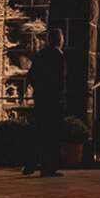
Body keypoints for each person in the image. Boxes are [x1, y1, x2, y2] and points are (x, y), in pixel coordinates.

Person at [24, 28, 66, 177]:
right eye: (61, 38)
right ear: (59, 40)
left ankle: (29, 165)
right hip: (52, 100)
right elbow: (59, 79)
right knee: (51, 134)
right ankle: (48, 167)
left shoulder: (41, 54)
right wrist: (58, 95)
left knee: (38, 131)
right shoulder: (58, 55)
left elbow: (31, 75)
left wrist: (38, 91)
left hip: (41, 98)